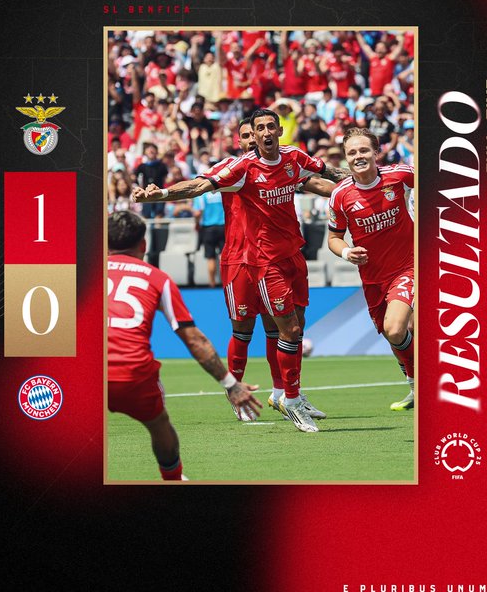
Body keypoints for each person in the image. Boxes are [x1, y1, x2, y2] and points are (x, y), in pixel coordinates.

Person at [134, 110, 348, 432]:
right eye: (250, 133)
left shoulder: (288, 161)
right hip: (242, 259)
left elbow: (314, 179)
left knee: (283, 329)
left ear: (277, 131)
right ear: (242, 139)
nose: (258, 137)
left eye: (267, 128)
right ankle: (238, 392)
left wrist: (361, 185)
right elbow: (198, 186)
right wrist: (162, 194)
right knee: (245, 330)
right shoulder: (235, 169)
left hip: (286, 254)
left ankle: (283, 393)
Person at [107, 211, 262, 481]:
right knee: (159, 424)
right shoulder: (157, 279)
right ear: (144, 245)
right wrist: (231, 384)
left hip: (84, 374)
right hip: (131, 374)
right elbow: (193, 339)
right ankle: (173, 478)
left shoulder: (81, 275)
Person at [327, 127, 415, 410]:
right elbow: (333, 238)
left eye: (364, 150)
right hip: (373, 278)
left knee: (395, 328)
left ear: (376, 153)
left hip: (409, 266)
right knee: (394, 335)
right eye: (352, 152)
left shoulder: (400, 175)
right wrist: (347, 252)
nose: (358, 156)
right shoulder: (340, 195)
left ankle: (424, 384)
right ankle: (415, 386)